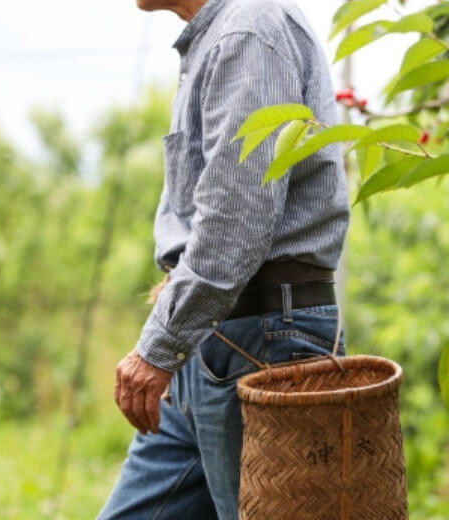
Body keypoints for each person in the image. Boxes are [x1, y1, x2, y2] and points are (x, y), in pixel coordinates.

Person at [97, 0, 349, 517]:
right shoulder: (217, 37)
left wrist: (157, 347)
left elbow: (238, 214)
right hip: (212, 341)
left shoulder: (249, 30)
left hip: (260, 340)